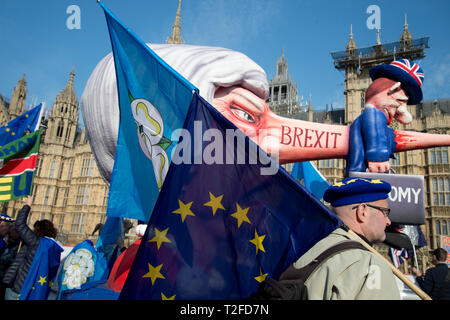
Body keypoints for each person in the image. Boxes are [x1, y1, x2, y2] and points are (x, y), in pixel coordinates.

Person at [289, 177, 400, 299]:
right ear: (363, 212)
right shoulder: (370, 264)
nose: (388, 221)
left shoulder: (305, 250)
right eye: (385, 212)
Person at [2, 196, 63, 300]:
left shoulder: (36, 242)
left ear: (38, 230)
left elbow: (19, 224)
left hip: (19, 289)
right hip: (37, 291)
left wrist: (27, 205)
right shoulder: (55, 249)